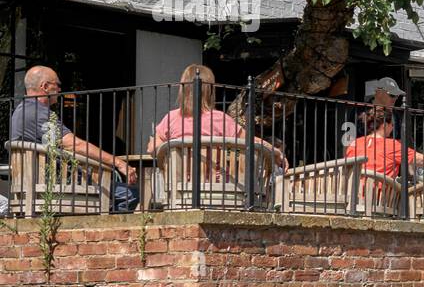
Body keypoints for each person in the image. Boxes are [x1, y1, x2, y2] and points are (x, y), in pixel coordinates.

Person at [10, 66, 138, 212]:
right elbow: (74, 144)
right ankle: (104, 231)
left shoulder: (21, 110)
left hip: (31, 182)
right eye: (57, 85)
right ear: (45, 86)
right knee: (130, 194)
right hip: (56, 183)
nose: (59, 90)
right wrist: (118, 163)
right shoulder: (38, 113)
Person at [145, 64, 287, 169]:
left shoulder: (171, 118)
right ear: (210, 90)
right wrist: (275, 152)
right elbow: (251, 140)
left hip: (178, 186)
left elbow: (152, 149)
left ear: (183, 88)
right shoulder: (220, 119)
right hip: (214, 188)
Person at [345, 105, 424, 179]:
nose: (393, 127)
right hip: (379, 202)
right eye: (391, 124)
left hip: (353, 199)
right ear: (384, 125)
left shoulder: (354, 144)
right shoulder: (391, 145)